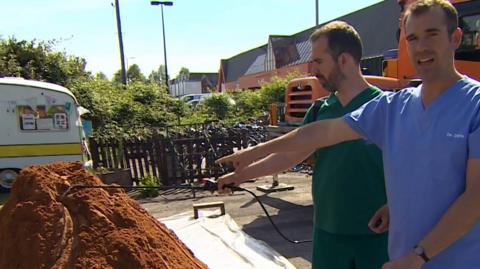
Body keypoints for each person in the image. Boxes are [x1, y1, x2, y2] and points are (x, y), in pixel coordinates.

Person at [216, 1, 480, 268]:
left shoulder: (474, 106)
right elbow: (317, 134)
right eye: (412, 38)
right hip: (396, 256)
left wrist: (418, 256)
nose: (421, 47)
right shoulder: (394, 108)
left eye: (431, 34)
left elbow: (475, 196)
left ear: (455, 37)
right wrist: (250, 156)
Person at [218, 21, 389, 269]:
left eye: (319, 61)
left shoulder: (386, 108)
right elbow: (289, 156)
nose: (313, 69)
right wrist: (239, 176)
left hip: (377, 238)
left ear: (343, 60)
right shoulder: (320, 109)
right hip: (328, 237)